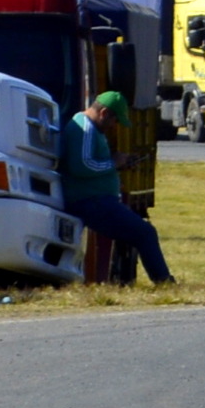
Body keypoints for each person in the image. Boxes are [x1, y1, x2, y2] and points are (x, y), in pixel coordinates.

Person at [60, 91, 172, 285]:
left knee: (138, 234)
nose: (114, 126)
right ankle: (163, 281)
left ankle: (125, 279)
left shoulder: (90, 129)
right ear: (103, 113)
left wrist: (120, 162)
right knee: (145, 233)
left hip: (98, 200)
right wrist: (114, 163)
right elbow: (82, 165)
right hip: (91, 201)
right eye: (114, 120)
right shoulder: (84, 129)